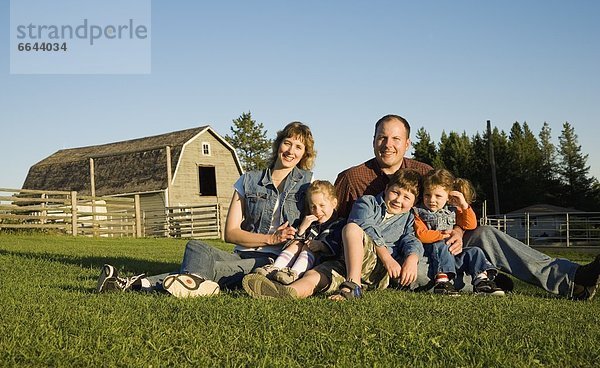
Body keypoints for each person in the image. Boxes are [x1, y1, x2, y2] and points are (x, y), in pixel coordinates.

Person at [239, 114, 600, 300]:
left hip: (438, 242)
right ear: (373, 139)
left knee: (485, 233)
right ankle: (484, 279)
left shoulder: (425, 172)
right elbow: (344, 227)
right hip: (397, 258)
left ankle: (572, 279)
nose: (388, 144)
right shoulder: (352, 178)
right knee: (438, 270)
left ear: (406, 143)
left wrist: (460, 231)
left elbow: (457, 207)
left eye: (395, 138)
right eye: (382, 137)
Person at [96, 121, 317, 297]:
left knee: (212, 268)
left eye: (299, 147)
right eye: (287, 143)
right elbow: (230, 234)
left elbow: (320, 218)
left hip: (272, 263)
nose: (291, 151)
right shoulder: (248, 181)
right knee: (196, 247)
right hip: (242, 254)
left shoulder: (308, 184)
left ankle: (131, 284)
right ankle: (195, 284)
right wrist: (270, 238)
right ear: (278, 144)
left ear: (304, 154)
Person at [242, 168, 423, 300]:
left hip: (376, 270)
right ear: (387, 189)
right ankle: (287, 292)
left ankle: (353, 286)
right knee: (314, 275)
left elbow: (411, 240)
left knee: (350, 228)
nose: (398, 200)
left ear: (414, 202)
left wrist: (412, 259)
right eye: (395, 192)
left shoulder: (407, 219)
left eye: (406, 197)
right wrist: (388, 257)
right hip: (344, 261)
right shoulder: (367, 203)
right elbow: (364, 223)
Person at [414, 168, 504, 296]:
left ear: (448, 196)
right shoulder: (419, 212)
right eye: (427, 195)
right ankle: (443, 281)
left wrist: (464, 205)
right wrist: (443, 235)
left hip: (453, 254)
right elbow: (421, 234)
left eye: (438, 196)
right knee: (440, 245)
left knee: (474, 251)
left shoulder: (452, 210)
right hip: (433, 254)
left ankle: (482, 281)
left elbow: (470, 224)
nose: (432, 200)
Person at [243, 181, 345, 293]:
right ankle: (274, 269)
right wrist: (301, 229)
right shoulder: (309, 222)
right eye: (313, 207)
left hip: (321, 263)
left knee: (307, 246)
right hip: (302, 258)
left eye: (322, 205)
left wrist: (322, 246)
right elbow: (292, 240)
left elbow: (338, 248)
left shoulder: (338, 224)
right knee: (296, 243)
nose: (317, 211)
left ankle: (293, 274)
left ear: (334, 203)